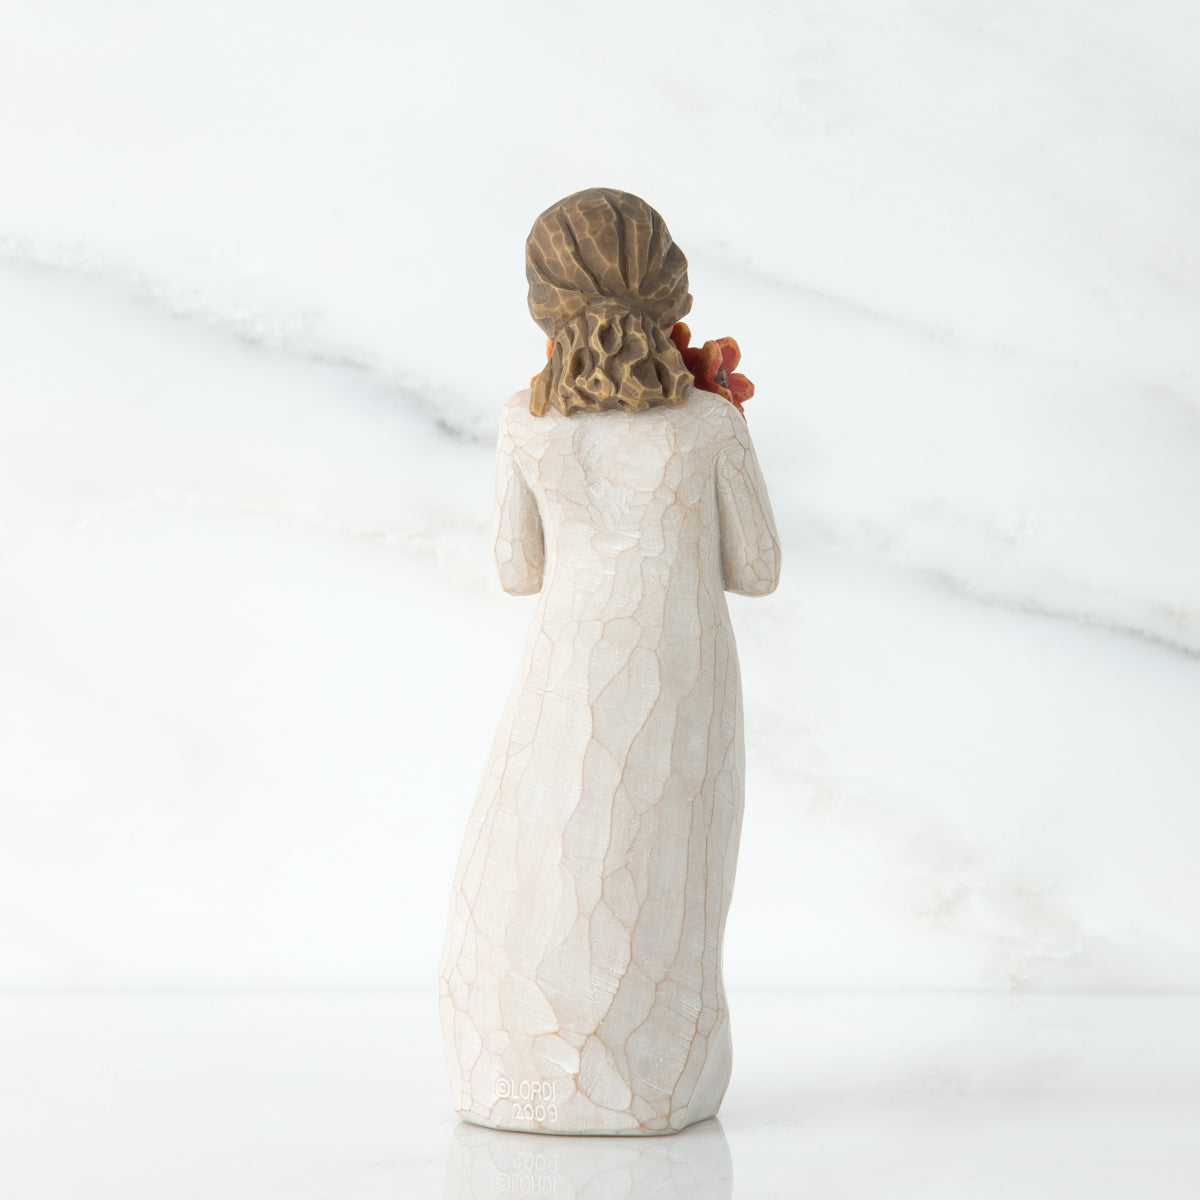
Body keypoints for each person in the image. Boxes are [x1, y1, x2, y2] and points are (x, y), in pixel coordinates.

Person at [439, 188, 780, 1135]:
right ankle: (655, 1072)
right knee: (665, 862)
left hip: (564, 672)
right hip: (679, 665)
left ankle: (514, 1066)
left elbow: (518, 571)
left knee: (543, 841)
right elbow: (758, 569)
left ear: (543, 304)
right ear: (671, 292)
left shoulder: (527, 422)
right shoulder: (706, 426)